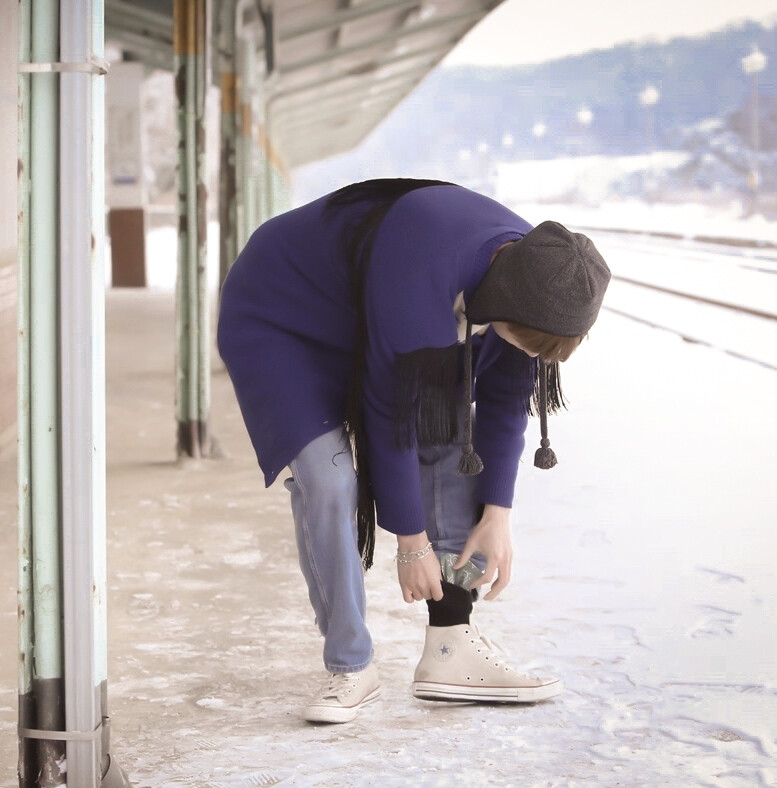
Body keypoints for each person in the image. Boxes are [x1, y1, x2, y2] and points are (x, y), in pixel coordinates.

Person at [217, 178, 610, 724]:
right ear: (503, 302)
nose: (521, 352)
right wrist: (411, 542)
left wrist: (498, 512)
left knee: (451, 431)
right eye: (519, 341)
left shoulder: (540, 283)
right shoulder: (429, 267)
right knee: (328, 479)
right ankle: (351, 664)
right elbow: (392, 414)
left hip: (366, 307)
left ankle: (451, 647)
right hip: (284, 315)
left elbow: (501, 407)